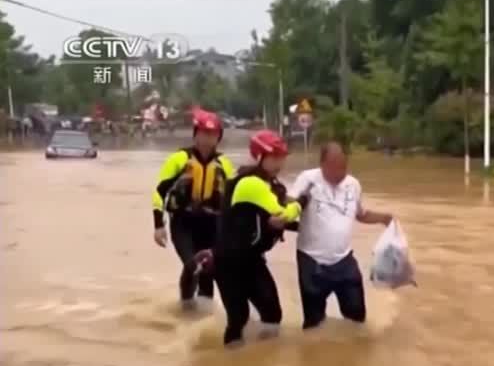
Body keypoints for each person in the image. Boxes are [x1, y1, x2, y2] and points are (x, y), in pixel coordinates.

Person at [212, 130, 306, 347]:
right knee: (238, 318)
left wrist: (307, 227)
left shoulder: (272, 186)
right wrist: (303, 201)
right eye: (274, 157)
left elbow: (275, 219)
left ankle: (263, 359)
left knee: (273, 314)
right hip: (228, 262)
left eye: (281, 157)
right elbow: (284, 213)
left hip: (253, 260)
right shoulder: (249, 183)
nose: (279, 163)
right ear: (259, 157)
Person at [287, 142, 393, 329]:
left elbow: (361, 214)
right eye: (333, 167)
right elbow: (288, 205)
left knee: (357, 319)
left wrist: (384, 219)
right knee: (314, 324)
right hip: (312, 261)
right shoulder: (308, 179)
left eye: (342, 167)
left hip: (344, 260)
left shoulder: (353, 185)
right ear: (322, 164)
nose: (338, 173)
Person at [151, 109, 236, 310]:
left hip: (212, 225)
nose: (207, 139)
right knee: (192, 265)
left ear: (218, 138)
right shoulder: (179, 159)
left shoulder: (224, 164)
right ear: (195, 134)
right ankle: (186, 307)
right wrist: (158, 225)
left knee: (208, 269)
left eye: (212, 135)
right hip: (183, 222)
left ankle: (205, 315)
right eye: (203, 134)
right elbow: (159, 193)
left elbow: (234, 199)